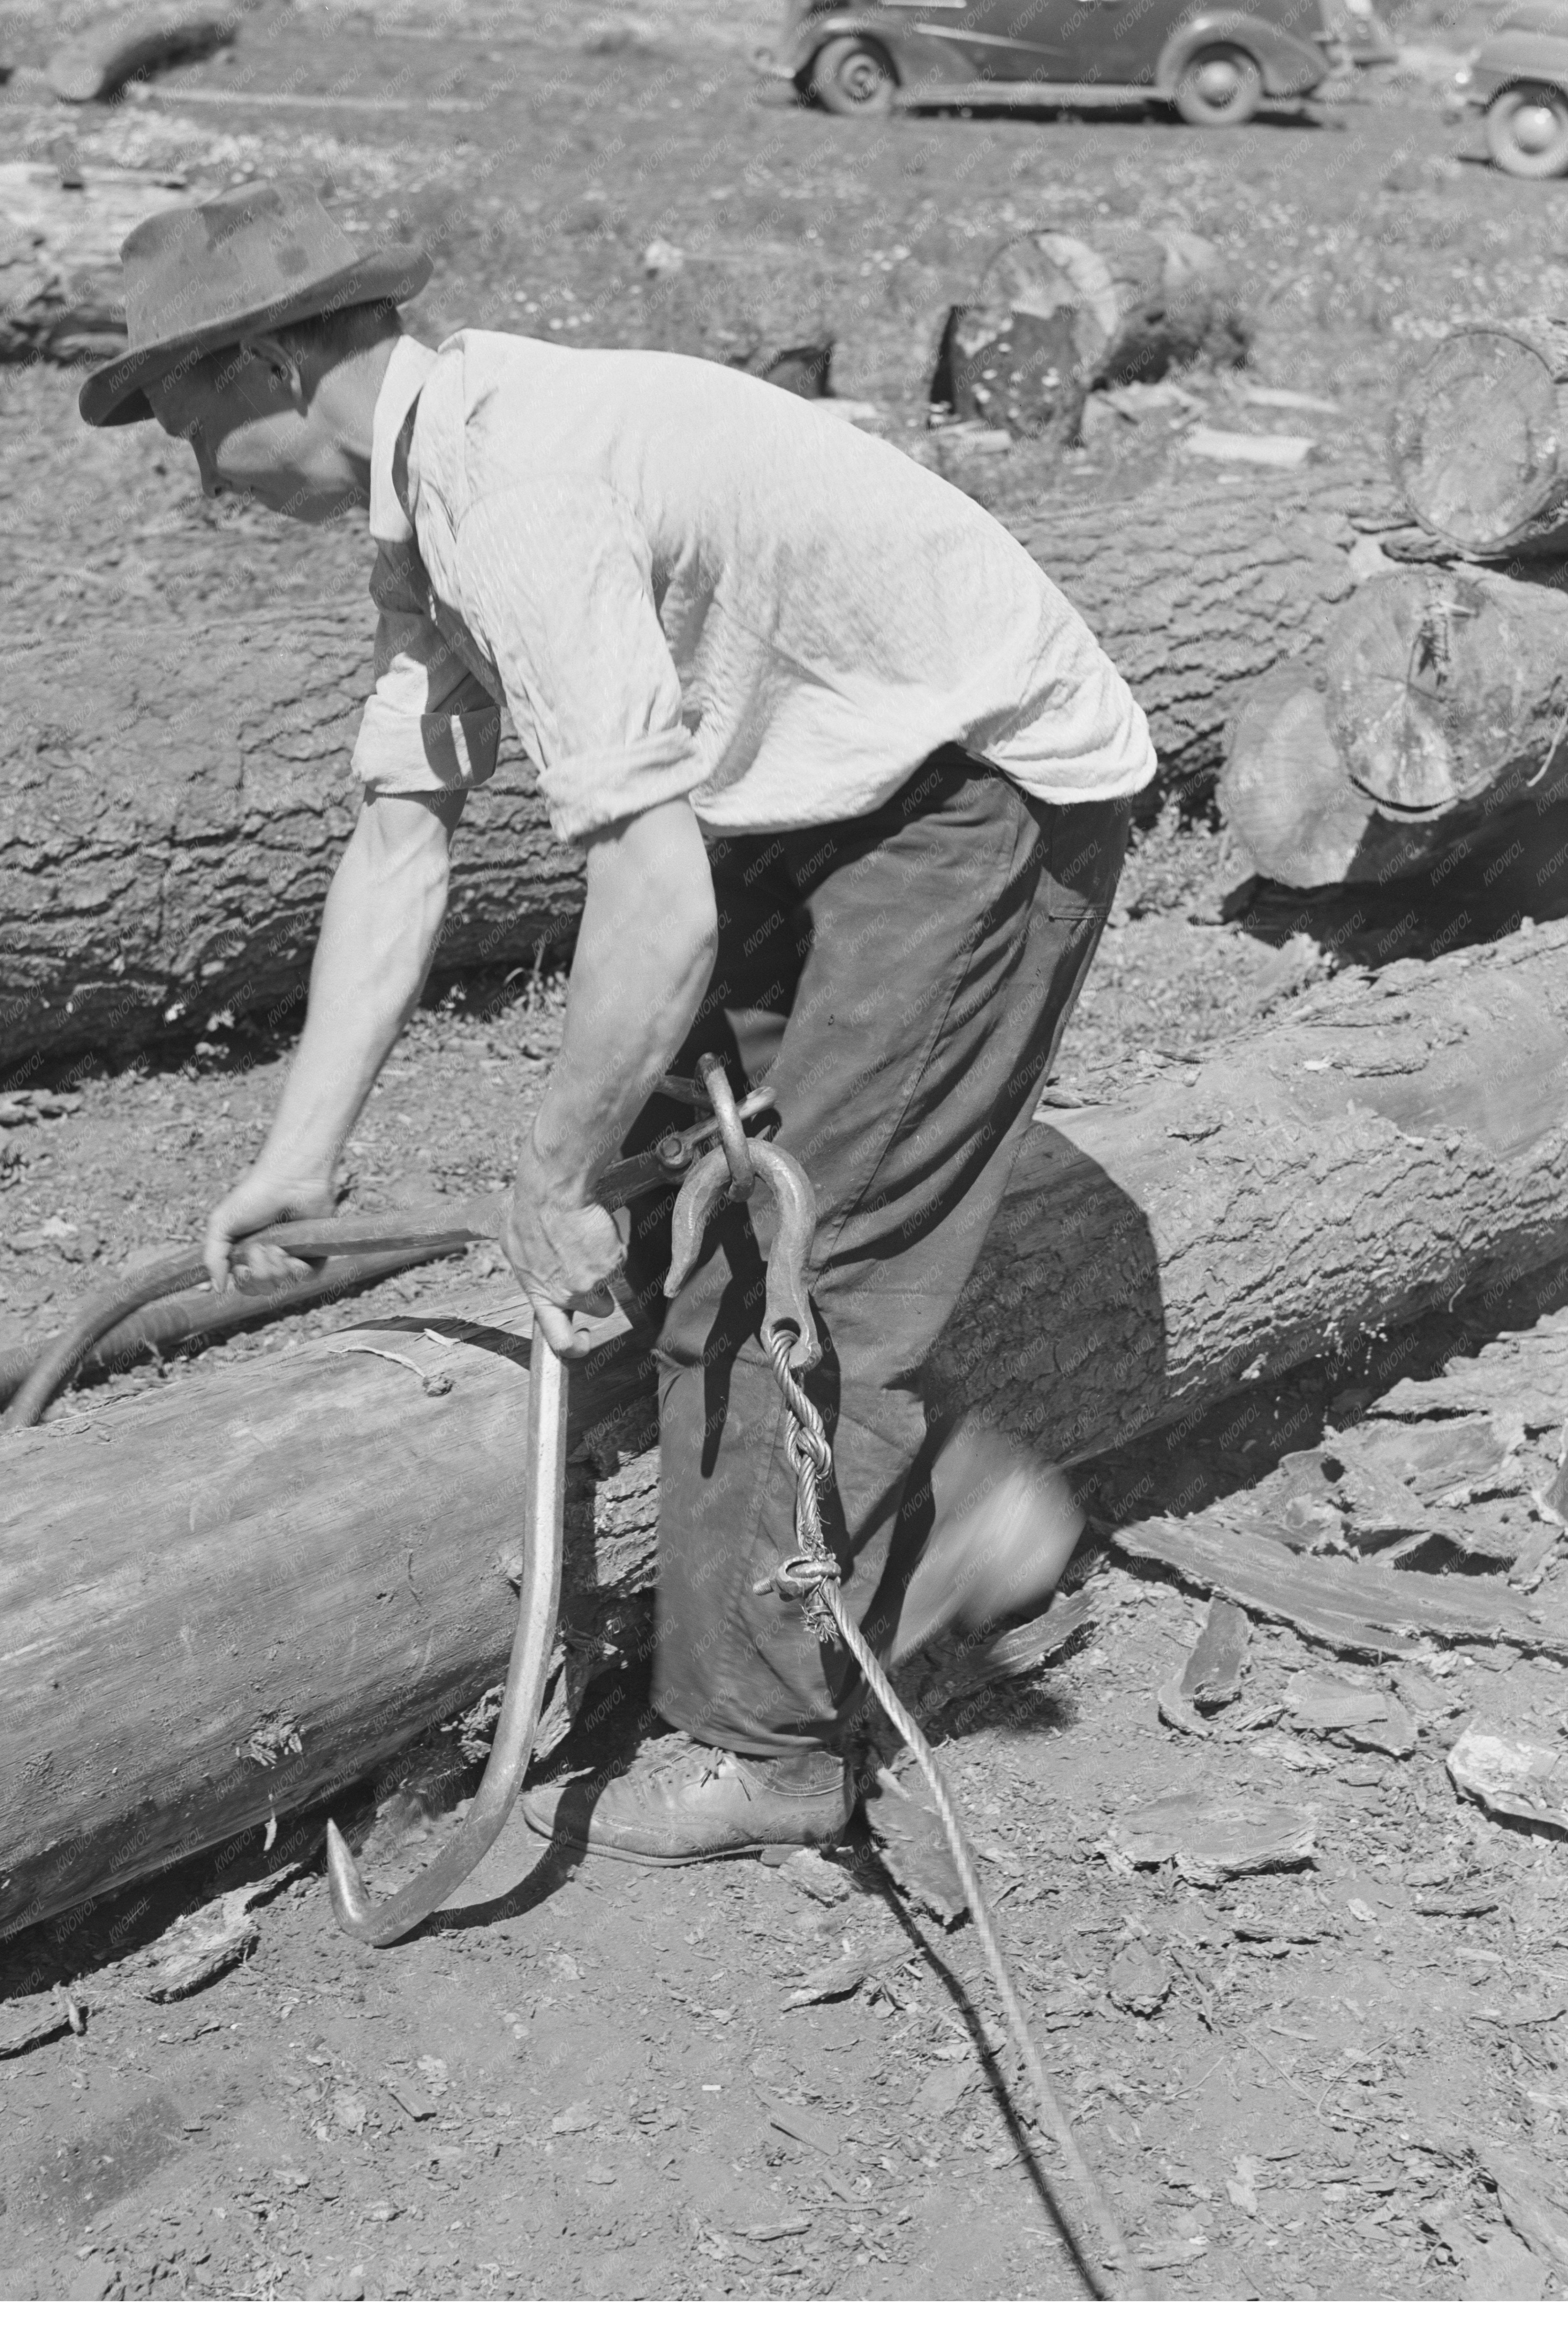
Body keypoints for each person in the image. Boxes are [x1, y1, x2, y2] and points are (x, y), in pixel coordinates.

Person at [81, 181, 1155, 1865]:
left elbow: (653, 904)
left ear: (274, 361)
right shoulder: (434, 490)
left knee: (793, 1259)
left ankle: (766, 1743)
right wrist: (299, 1153)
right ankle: (944, 1504)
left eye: (187, 425)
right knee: (681, 1174)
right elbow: (401, 831)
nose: (198, 481)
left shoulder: (511, 489)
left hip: (977, 793)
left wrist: (550, 1164)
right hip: (830, 779)